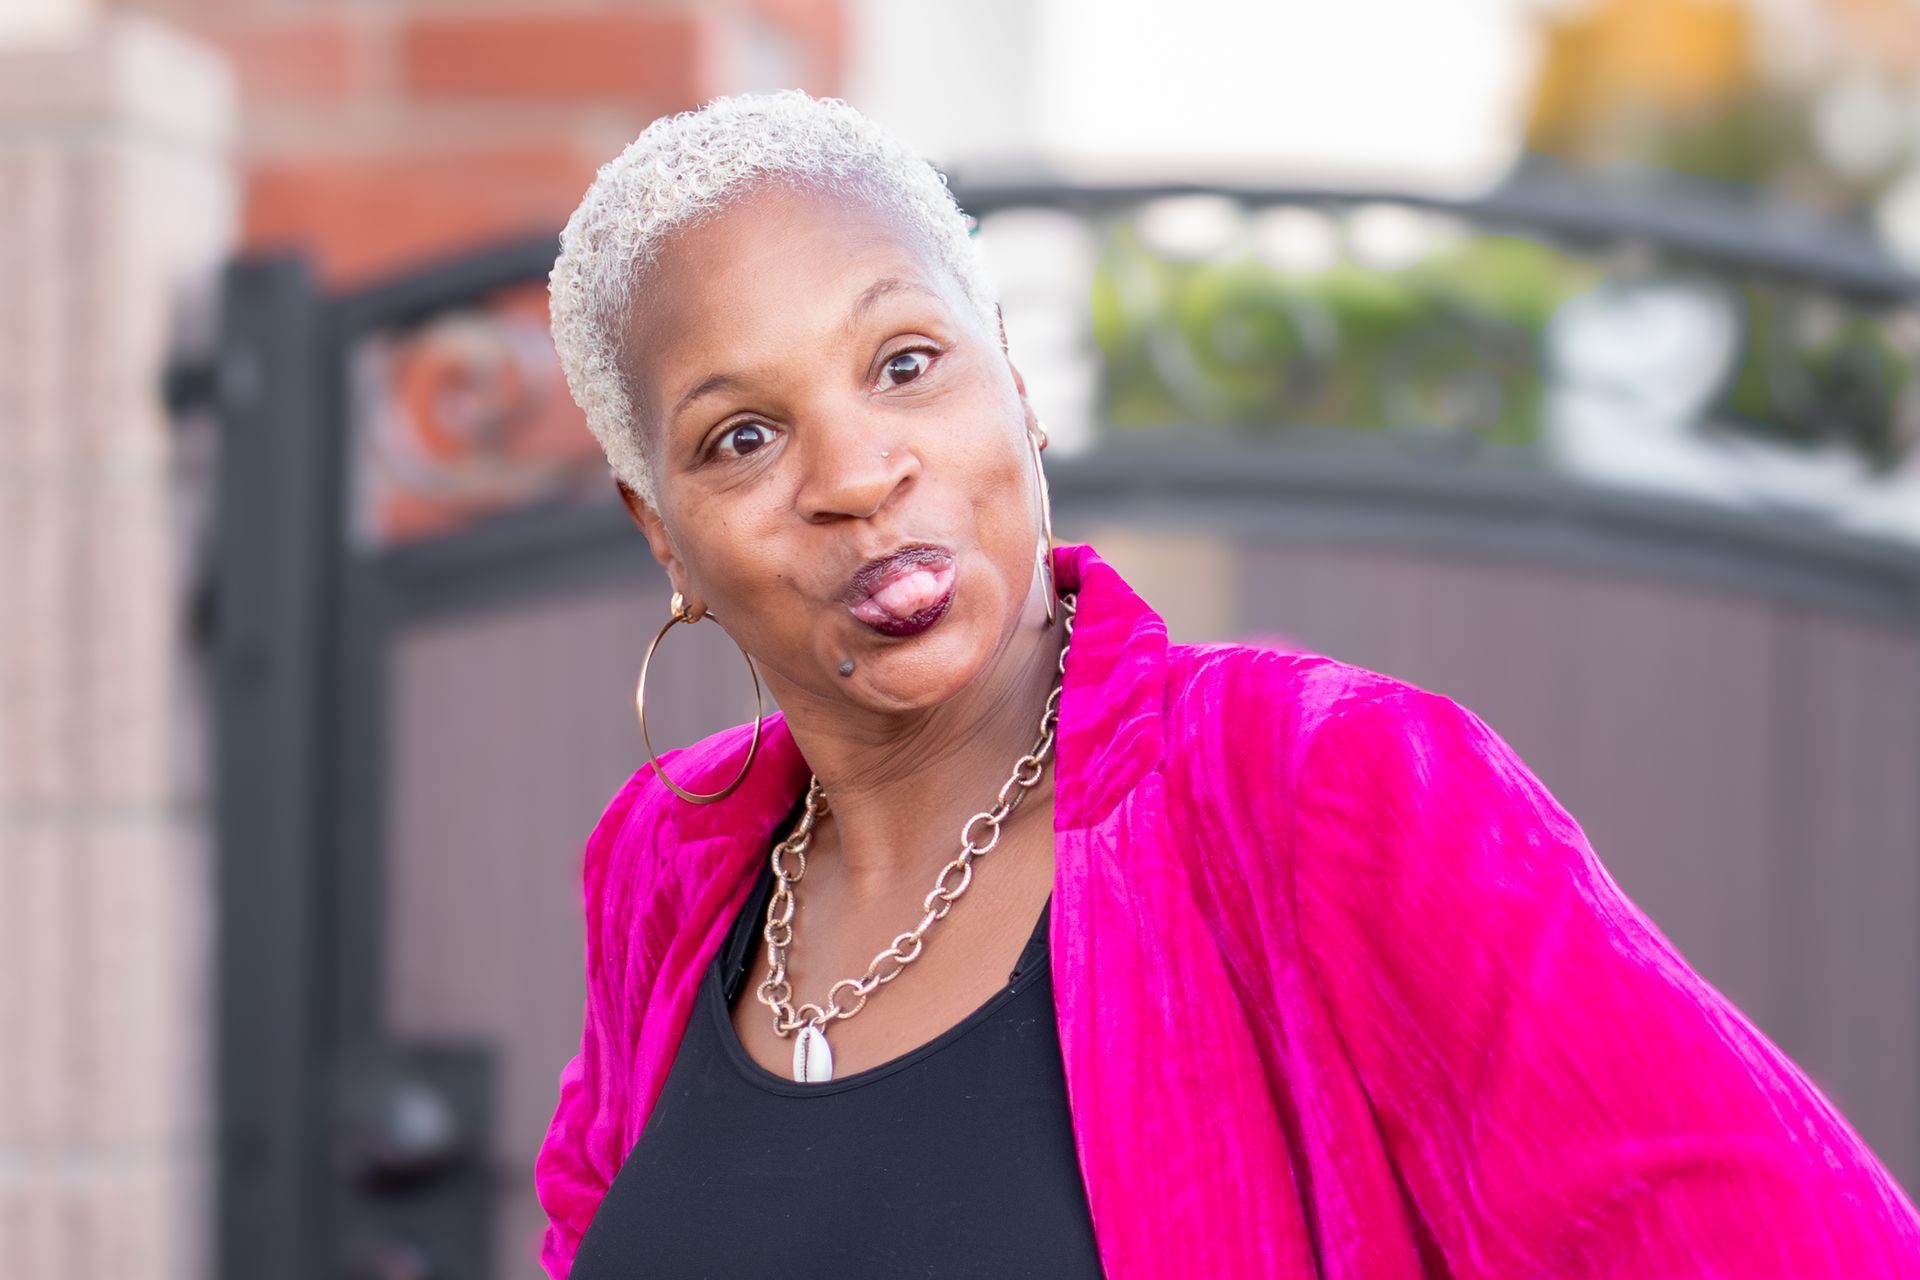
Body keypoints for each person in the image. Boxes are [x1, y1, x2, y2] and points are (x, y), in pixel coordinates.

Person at [534, 89, 1920, 1278]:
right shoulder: (669, 870)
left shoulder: (1326, 785)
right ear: (663, 529)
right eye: (743, 437)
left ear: (1014, 381)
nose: (853, 475)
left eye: (906, 363)